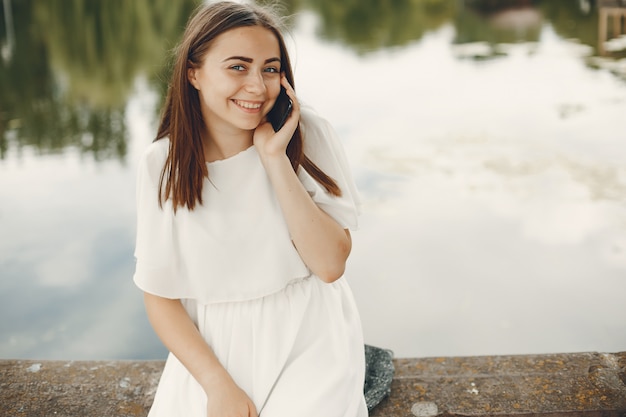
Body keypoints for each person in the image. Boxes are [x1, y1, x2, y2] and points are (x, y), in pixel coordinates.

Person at [133, 2, 367, 416]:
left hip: (310, 334)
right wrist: (216, 384)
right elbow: (160, 296)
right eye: (238, 67)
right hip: (211, 345)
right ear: (194, 73)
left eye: (270, 68)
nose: (258, 87)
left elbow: (330, 265)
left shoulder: (307, 133)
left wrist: (274, 159)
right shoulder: (162, 164)